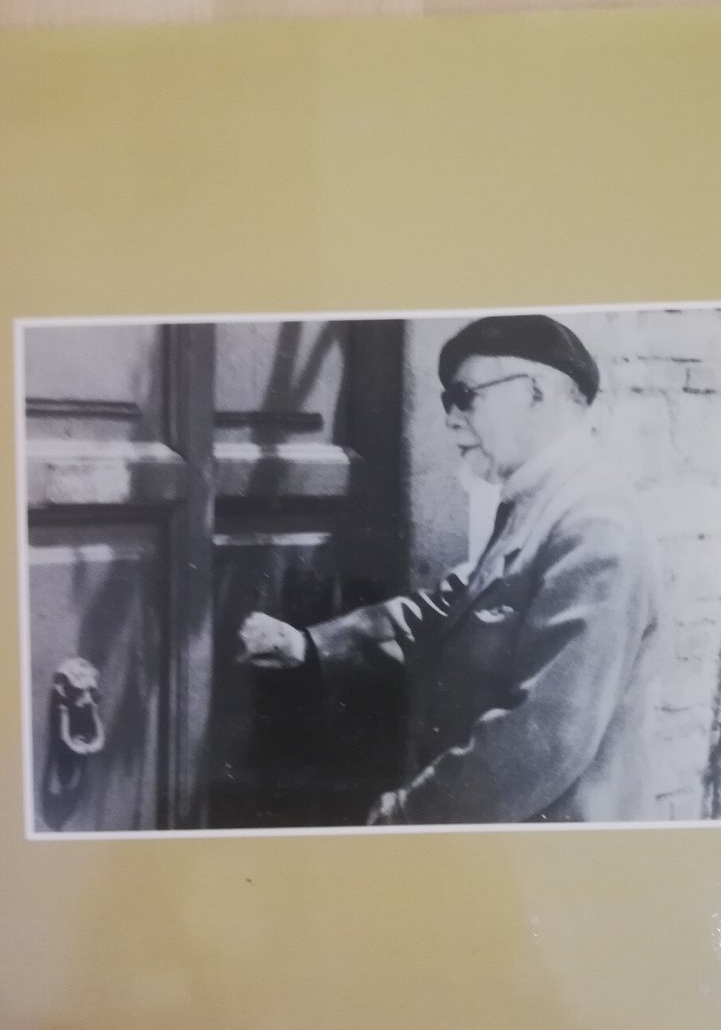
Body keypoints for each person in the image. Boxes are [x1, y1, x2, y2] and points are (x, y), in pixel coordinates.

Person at [239, 314, 660, 825]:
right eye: (446, 402)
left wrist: (408, 817)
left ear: (535, 392)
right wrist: (311, 647)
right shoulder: (538, 504)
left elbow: (544, 739)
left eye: (465, 396)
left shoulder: (594, 525)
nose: (452, 420)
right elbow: (443, 611)